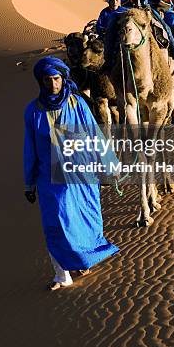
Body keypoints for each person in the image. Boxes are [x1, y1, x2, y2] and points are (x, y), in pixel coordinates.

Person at [23, 56, 119, 291]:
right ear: (41, 82)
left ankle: (83, 261)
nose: (53, 85)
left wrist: (110, 164)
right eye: (47, 80)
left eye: (56, 79)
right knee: (55, 224)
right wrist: (29, 183)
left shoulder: (77, 103)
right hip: (50, 179)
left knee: (83, 221)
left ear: (62, 78)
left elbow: (95, 135)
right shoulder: (33, 111)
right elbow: (30, 147)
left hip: (80, 176)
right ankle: (61, 275)